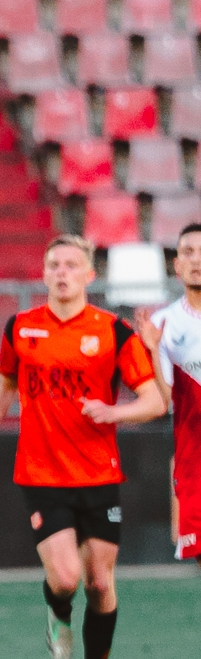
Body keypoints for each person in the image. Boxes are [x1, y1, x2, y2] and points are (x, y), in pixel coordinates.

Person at [0, 232, 163, 659]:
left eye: (71, 264)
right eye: (54, 265)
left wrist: (116, 413)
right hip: (41, 473)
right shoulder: (22, 328)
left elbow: (154, 401)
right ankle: (57, 611)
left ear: (90, 275)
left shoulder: (113, 332)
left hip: (99, 474)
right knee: (67, 578)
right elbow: (7, 381)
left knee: (101, 583)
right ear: (44, 273)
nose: (61, 272)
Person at [133, 221, 201, 560]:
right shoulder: (163, 324)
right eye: (188, 252)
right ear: (176, 265)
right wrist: (151, 350)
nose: (197, 260)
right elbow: (165, 400)